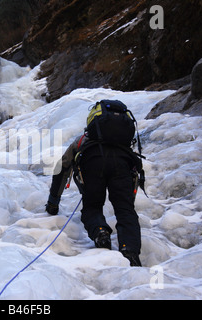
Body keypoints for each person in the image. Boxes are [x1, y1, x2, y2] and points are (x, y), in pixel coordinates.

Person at [46, 102, 143, 267]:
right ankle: (130, 251)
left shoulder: (84, 139)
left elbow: (62, 167)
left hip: (93, 163)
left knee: (92, 206)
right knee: (125, 210)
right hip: (122, 163)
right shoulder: (125, 142)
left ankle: (100, 232)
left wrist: (53, 203)